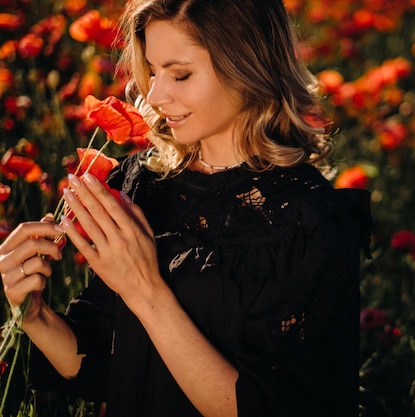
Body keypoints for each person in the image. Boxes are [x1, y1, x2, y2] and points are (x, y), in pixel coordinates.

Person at [0, 0, 372, 416]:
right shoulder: (139, 184)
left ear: (247, 65)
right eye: (153, 71)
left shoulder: (310, 223)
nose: (155, 95)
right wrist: (34, 315)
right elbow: (106, 367)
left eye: (180, 74)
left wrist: (146, 291)